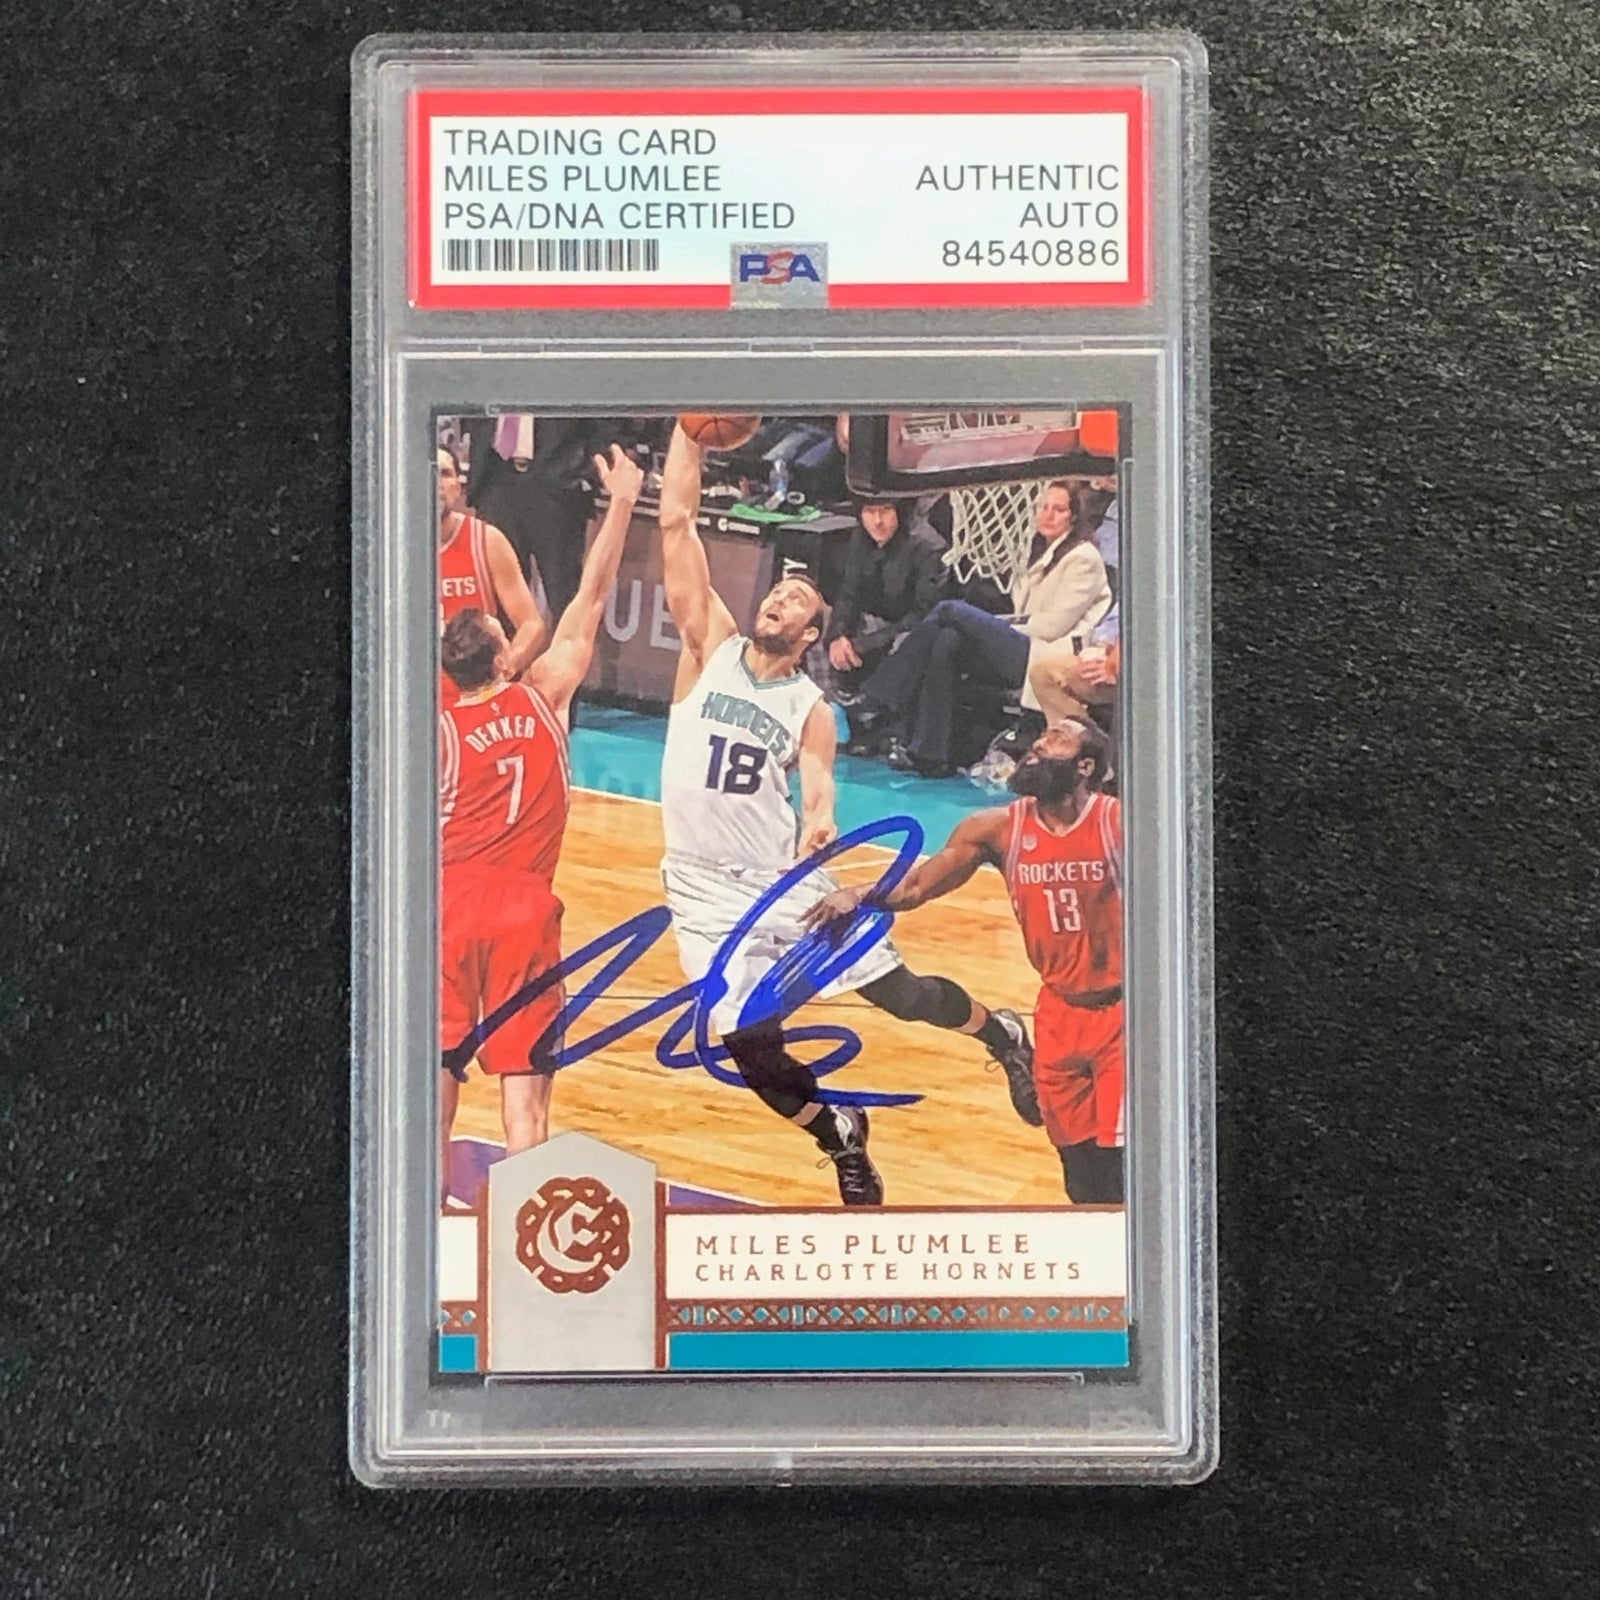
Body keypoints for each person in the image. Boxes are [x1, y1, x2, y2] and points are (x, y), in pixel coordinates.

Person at [655, 421, 1037, 1207]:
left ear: (809, 636)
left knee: (902, 996)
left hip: (780, 880)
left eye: (797, 599)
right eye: (778, 590)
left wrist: (819, 823)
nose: (778, 598)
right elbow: (676, 525)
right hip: (698, 889)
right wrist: (687, 433)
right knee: (748, 1046)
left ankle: (998, 1030)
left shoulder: (809, 706)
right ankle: (838, 1135)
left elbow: (819, 786)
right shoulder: (708, 651)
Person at [437, 446, 644, 1205]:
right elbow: (590, 594)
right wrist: (622, 504)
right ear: (502, 653)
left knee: (435, 1082)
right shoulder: (544, 693)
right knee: (525, 1103)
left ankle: (428, 1217)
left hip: (448, 906)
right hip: (524, 910)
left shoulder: (438, 734)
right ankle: (525, 1231)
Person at [805, 717, 1125, 1204]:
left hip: (1124, 1013)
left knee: (1124, 1166)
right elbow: (917, 886)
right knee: (1079, 1172)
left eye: (1056, 740)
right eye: (1041, 736)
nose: (1039, 744)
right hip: (1058, 1012)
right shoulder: (997, 829)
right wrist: (858, 895)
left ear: (1085, 767)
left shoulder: (1117, 823)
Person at [859, 481, 1112, 776]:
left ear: (1074, 516)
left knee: (950, 610)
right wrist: (1000, 627)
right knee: (947, 640)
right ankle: (929, 755)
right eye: (1043, 507)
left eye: (1059, 509)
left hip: (1049, 653)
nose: (1048, 515)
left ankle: (878, 694)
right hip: (1027, 644)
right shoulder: (1037, 552)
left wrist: (997, 627)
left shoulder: (1083, 557)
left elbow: (1052, 626)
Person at [809, 495, 948, 717]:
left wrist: (864, 644)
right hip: (866, 620)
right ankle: (825, 707)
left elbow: (923, 614)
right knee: (812, 626)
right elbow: (849, 593)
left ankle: (871, 711)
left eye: (885, 510)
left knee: (909, 640)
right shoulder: (861, 537)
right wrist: (838, 636)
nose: (877, 521)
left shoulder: (929, 548)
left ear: (900, 511)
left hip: (903, 629)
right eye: (870, 512)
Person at [437, 446, 546, 677]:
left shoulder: (486, 540)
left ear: (459, 486)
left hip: (471, 689)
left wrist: (503, 670)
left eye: (444, 473)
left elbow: (532, 625)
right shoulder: (387, 547)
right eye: (427, 473)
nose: (436, 483)